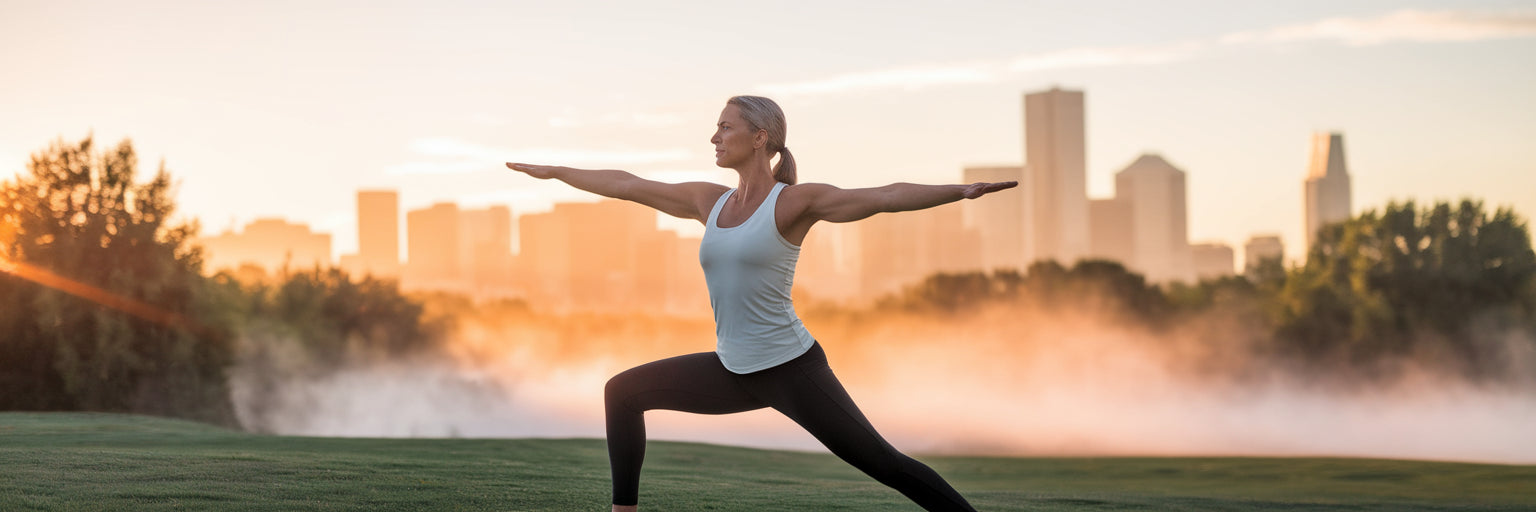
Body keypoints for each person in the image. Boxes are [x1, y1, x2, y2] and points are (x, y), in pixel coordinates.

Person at [506, 95, 1015, 512]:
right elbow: (628, 185)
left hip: (793, 371)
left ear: (760, 138)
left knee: (888, 466)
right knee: (621, 392)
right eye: (715, 127)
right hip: (732, 368)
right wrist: (558, 172)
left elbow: (884, 195)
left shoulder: (793, 202)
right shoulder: (710, 201)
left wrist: (961, 190)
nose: (714, 137)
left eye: (725, 127)